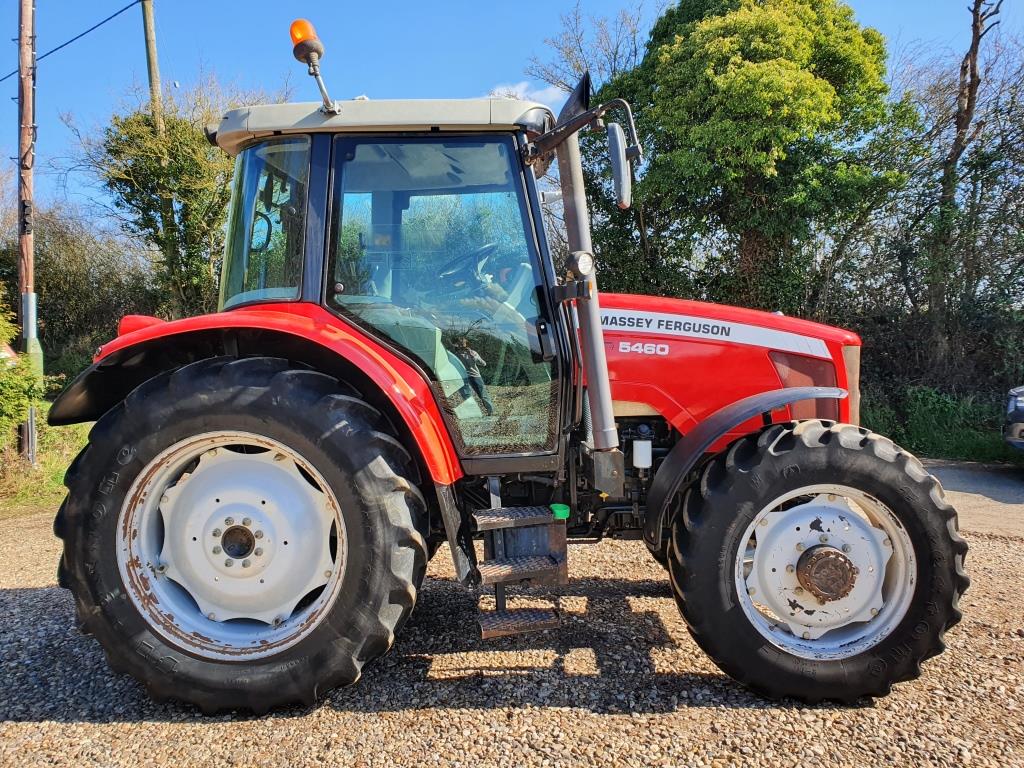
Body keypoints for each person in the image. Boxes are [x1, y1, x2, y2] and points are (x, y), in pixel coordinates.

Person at [454, 336, 495, 416]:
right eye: (459, 343)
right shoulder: (456, 354)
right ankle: (473, 413)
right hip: (463, 377)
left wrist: (473, 356)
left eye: (463, 343)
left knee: (483, 395)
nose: (461, 345)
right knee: (467, 396)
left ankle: (491, 412)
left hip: (475, 377)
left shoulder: (473, 352)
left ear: (466, 343)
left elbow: (483, 364)